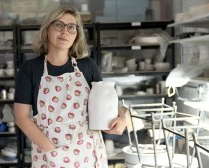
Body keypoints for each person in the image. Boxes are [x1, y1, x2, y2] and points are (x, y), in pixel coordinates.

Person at [14, 5, 127, 167]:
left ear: (76, 34)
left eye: (71, 27)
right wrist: (52, 152)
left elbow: (109, 101)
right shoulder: (31, 68)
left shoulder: (87, 66)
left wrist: (122, 118)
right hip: (49, 154)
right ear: (47, 30)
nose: (65, 31)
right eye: (59, 25)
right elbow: (21, 117)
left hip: (87, 152)